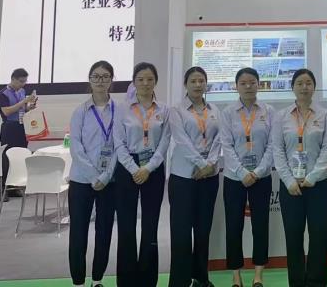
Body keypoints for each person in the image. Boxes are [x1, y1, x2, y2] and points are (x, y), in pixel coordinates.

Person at [272, 69, 327, 287]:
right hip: (291, 186)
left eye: (308, 83)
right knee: (293, 236)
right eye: (299, 83)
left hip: (319, 185)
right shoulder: (281, 116)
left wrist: (312, 177)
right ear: (293, 87)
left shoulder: (324, 115)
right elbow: (277, 150)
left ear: (314, 87)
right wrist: (289, 180)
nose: (304, 87)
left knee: (318, 236)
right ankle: (297, 282)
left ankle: (316, 282)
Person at [113, 62, 171, 287]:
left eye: (150, 79)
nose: (145, 83)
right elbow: (118, 142)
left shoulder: (163, 109)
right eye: (140, 79)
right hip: (127, 167)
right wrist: (134, 168)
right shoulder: (122, 109)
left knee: (150, 225)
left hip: (153, 169)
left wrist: (148, 168)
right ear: (134, 82)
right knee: (126, 226)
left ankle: (147, 280)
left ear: (155, 81)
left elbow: (164, 142)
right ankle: (127, 280)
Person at [220, 67, 274, 287]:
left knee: (260, 225)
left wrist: (258, 172)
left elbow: (272, 144)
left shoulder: (269, 111)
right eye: (243, 83)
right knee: (234, 226)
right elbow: (226, 145)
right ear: (236, 86)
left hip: (262, 177)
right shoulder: (227, 112)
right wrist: (242, 172)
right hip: (235, 178)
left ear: (259, 84)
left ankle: (258, 274)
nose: (248, 86)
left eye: (252, 82)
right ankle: (236, 275)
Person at [168, 66, 222, 287]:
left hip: (209, 178)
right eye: (193, 81)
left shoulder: (214, 109)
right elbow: (181, 140)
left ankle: (201, 277)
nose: (198, 85)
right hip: (183, 178)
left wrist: (211, 164)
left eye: (201, 80)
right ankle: (180, 281)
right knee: (181, 232)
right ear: (186, 85)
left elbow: (219, 138)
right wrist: (202, 163)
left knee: (203, 230)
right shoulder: (176, 110)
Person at [68, 61, 117, 287]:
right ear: (89, 79)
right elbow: (75, 147)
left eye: (105, 76)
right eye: (96, 76)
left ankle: (97, 279)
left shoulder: (119, 111)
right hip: (81, 180)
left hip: (109, 181)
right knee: (78, 232)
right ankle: (78, 281)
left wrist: (105, 176)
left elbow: (120, 146)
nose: (100, 81)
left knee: (104, 231)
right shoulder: (80, 112)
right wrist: (93, 176)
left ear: (111, 80)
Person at [0, 68, 37, 196]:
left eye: (25, 81)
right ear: (13, 79)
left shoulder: (22, 91)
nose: (22, 84)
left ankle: (15, 187)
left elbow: (22, 110)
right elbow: (7, 111)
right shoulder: (3, 93)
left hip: (21, 127)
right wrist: (23, 102)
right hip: (9, 128)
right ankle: (3, 190)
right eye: (20, 81)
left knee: (20, 157)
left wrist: (29, 107)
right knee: (7, 158)